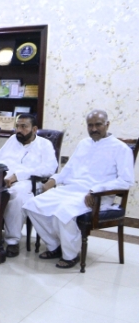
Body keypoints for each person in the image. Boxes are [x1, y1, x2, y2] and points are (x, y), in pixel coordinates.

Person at [23, 110, 135, 268]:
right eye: (90, 125)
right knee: (32, 205)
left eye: (98, 125)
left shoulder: (121, 149)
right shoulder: (83, 144)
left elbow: (125, 181)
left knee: (63, 211)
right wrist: (53, 180)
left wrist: (96, 190)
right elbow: (68, 169)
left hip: (97, 196)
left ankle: (70, 255)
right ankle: (54, 246)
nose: (94, 129)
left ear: (107, 125)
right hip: (71, 190)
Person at [0, 114, 57, 257]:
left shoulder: (44, 144)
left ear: (34, 129)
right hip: (5, 178)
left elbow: (49, 168)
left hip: (30, 182)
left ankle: (12, 241)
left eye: (24, 127)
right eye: (17, 126)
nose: (19, 130)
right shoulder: (12, 140)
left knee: (17, 195)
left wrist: (18, 175)